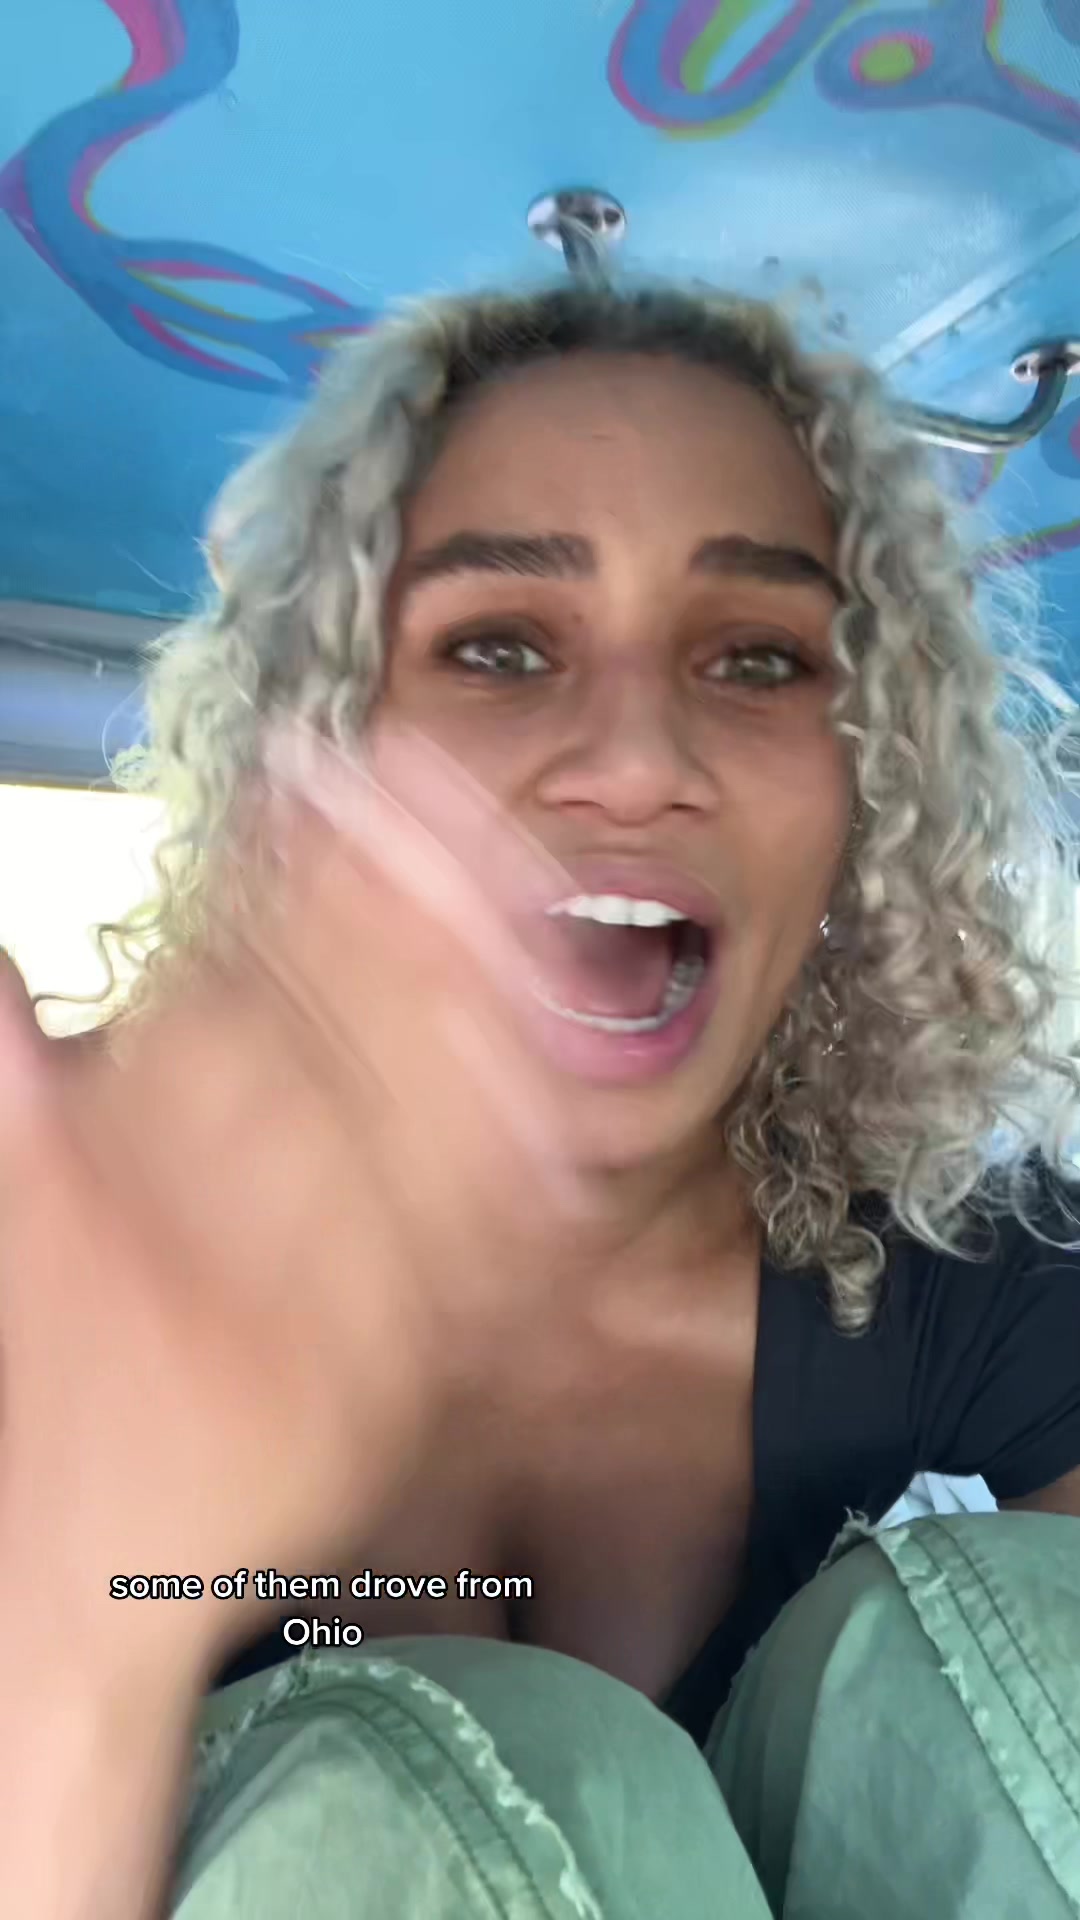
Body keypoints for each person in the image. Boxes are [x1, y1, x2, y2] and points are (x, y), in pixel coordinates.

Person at [2, 281, 1080, 1919]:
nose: (638, 758)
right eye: (498, 648)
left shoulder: (945, 1261)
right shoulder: (72, 1233)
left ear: (863, 785)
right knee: (467, 1777)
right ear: (324, 741)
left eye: (757, 658)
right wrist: (90, 1614)